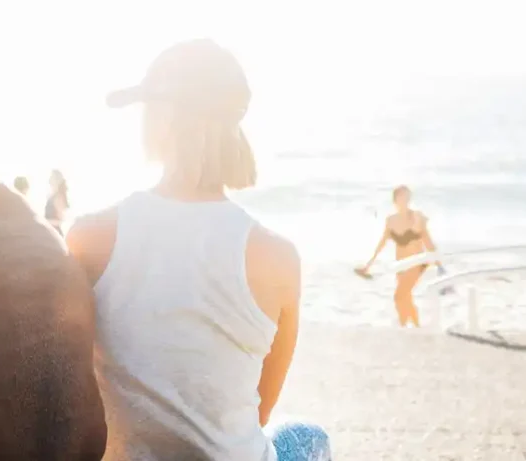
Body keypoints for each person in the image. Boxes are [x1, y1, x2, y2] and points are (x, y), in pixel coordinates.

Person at [66, 39, 331, 460]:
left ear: (158, 121)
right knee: (310, 437)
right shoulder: (278, 257)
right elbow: (258, 410)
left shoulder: (89, 237)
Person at [356, 185, 442, 328]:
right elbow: (382, 244)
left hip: (417, 263)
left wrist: (440, 264)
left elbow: (428, 241)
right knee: (405, 298)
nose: (404, 200)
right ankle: (412, 327)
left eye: (407, 197)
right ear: (395, 200)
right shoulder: (391, 220)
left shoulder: (417, 217)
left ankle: (410, 327)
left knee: (399, 296)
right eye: (401, 197)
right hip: (400, 265)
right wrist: (368, 265)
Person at [44, 169, 70, 234]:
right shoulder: (50, 196)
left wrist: (45, 222)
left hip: (55, 233)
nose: (49, 180)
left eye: (52, 177)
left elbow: (60, 220)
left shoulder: (58, 197)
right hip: (49, 232)